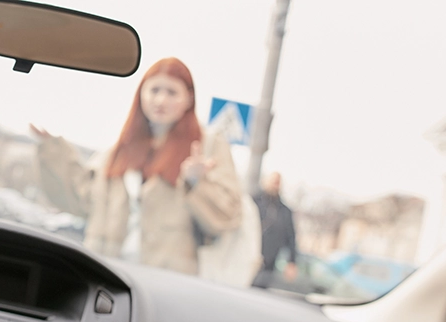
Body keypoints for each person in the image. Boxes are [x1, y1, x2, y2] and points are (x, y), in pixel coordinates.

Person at [42, 57, 245, 276]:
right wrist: (51, 149)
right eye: (154, 90)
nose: (160, 100)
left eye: (171, 92)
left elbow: (227, 216)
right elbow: (83, 198)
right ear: (141, 94)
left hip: (169, 283)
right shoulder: (120, 149)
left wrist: (197, 183)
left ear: (189, 98)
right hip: (107, 275)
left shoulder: (208, 146)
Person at [252, 171, 299, 288]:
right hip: (248, 259)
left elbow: (291, 238)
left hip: (268, 266)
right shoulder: (254, 202)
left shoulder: (285, 212)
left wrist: (292, 262)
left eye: (278, 182)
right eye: (273, 181)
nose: (275, 184)